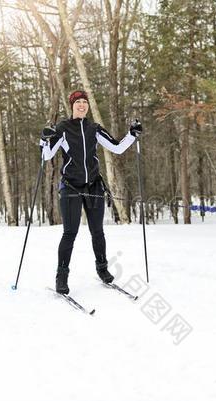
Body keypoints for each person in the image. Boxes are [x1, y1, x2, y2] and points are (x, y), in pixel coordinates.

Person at [40, 90, 142, 294]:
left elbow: (117, 148)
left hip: (94, 185)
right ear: (72, 105)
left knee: (98, 231)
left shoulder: (94, 128)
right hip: (70, 186)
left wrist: (132, 134)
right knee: (70, 233)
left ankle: (102, 269)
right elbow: (47, 155)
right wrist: (44, 139)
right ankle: (62, 276)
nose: (82, 105)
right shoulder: (63, 128)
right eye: (78, 102)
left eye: (84, 102)